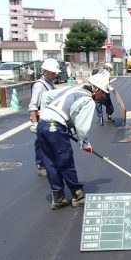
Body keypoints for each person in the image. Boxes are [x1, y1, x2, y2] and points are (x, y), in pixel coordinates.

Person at [37, 73, 109, 210]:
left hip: (43, 124)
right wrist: (85, 144)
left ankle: (58, 198)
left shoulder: (72, 89)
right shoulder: (88, 100)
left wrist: (48, 115)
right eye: (103, 93)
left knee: (50, 162)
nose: (103, 96)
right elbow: (82, 127)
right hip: (56, 128)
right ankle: (78, 196)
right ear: (96, 89)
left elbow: (46, 96)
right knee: (66, 161)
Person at [28, 58, 60, 177]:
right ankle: (41, 165)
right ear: (45, 72)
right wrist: (34, 123)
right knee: (41, 143)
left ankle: (49, 163)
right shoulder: (39, 86)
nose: (55, 75)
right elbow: (33, 105)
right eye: (53, 73)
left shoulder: (49, 84)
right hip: (41, 119)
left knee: (50, 142)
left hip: (49, 118)